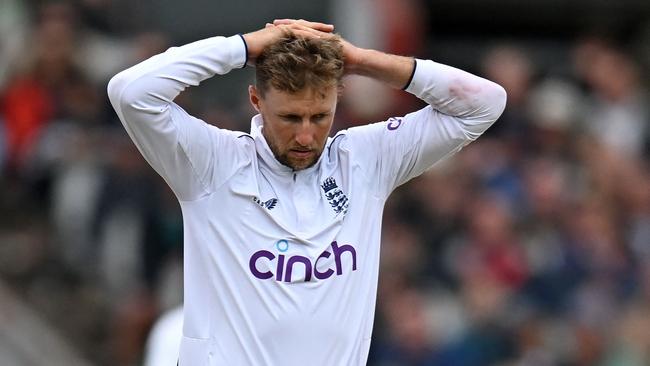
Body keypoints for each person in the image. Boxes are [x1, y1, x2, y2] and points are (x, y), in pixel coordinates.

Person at [107, 19, 506, 366]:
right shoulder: (213, 164)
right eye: (290, 117)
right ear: (256, 100)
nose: (305, 135)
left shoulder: (365, 161)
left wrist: (361, 61)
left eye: (320, 116)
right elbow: (130, 92)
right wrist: (245, 46)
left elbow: (485, 103)